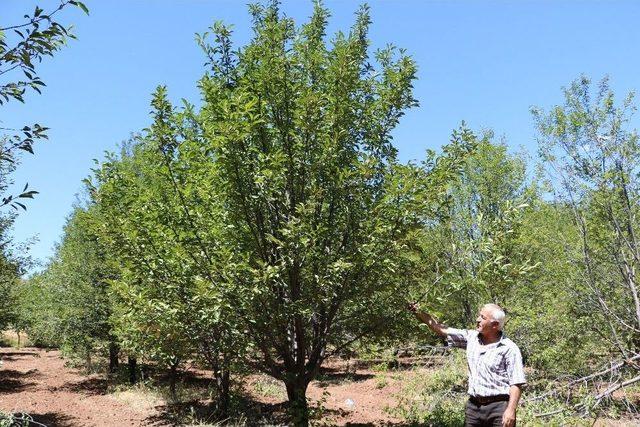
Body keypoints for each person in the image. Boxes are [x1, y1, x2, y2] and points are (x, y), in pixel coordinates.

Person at [408, 302, 526, 427]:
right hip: (473, 408)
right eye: (479, 316)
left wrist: (511, 410)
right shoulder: (471, 338)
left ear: (495, 325)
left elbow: (516, 383)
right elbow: (441, 329)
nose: (477, 320)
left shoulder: (509, 348)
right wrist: (418, 311)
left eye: (483, 318)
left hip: (499, 409)